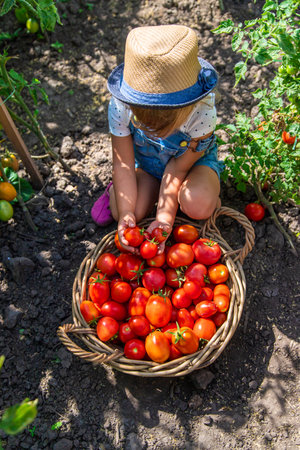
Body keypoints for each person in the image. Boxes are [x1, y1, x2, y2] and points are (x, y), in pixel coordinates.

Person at [91, 25, 224, 253]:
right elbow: (122, 163)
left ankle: (210, 196)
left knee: (198, 205)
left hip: (190, 166)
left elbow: (177, 170)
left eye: (163, 126)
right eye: (144, 124)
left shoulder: (202, 113)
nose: (154, 131)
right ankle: (117, 190)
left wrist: (164, 218)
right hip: (147, 167)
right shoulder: (121, 106)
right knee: (130, 211)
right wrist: (126, 214)